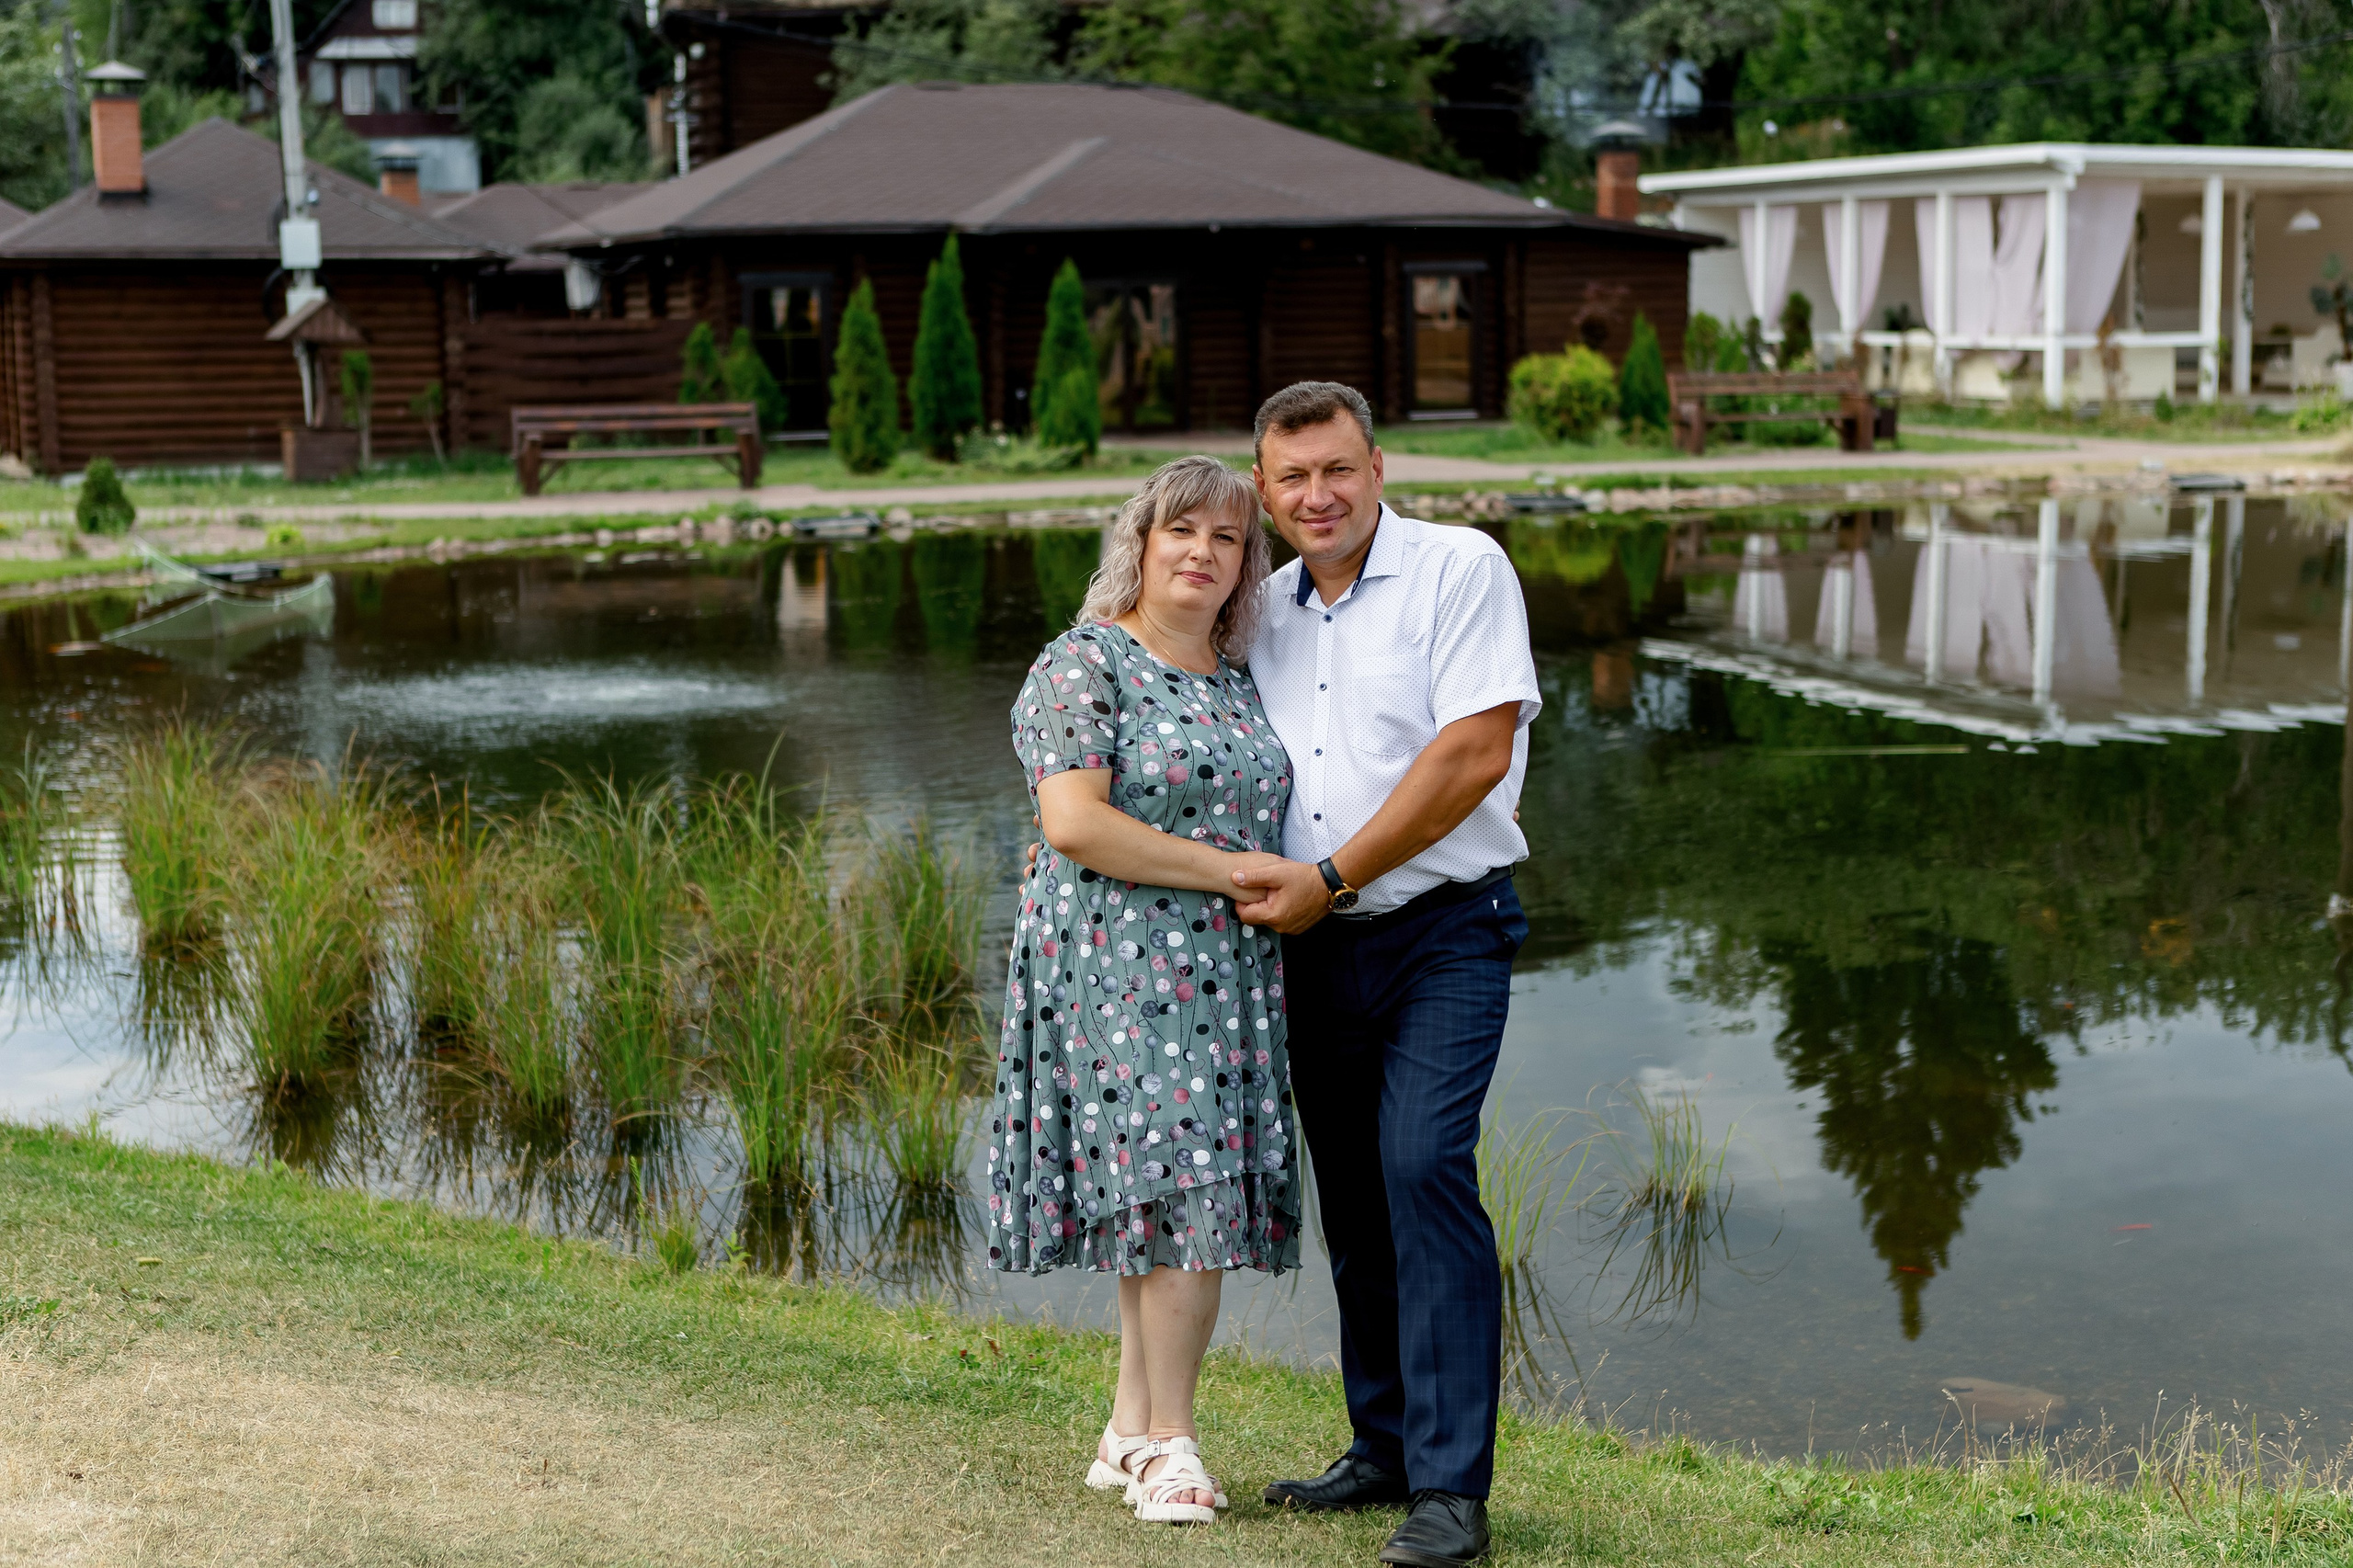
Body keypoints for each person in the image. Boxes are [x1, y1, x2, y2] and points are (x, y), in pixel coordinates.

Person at [1234, 381, 1539, 1568]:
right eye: (1293, 478)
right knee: (1355, 1197)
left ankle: (1453, 1493)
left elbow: (1475, 750)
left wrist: (1336, 877)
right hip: (1310, 945)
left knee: (1423, 1167)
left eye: (1338, 470)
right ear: (1264, 488)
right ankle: (1385, 1449)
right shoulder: (1261, 607)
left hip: (1444, 927)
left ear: (1379, 467)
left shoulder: (1461, 570)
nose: (1319, 496)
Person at [987, 453, 1301, 1528]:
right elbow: (1072, 822)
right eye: (1183, 532)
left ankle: (1128, 1425)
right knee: (1188, 1198)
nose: (1203, 553)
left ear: (1245, 563)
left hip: (1224, 972)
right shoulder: (1085, 661)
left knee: (1167, 1194)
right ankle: (1171, 1448)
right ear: (1141, 540)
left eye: (1227, 539)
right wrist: (1229, 871)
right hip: (1123, 969)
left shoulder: (1232, 673)